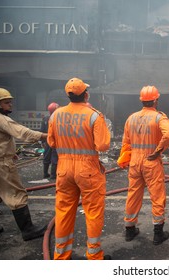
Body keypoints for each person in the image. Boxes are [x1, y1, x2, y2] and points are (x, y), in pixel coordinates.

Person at [47, 77, 111, 260]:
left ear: (68, 95)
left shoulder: (56, 115)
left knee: (64, 211)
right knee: (93, 212)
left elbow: (51, 142)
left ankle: (61, 256)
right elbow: (103, 145)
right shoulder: (93, 115)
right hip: (88, 169)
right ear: (86, 94)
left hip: (64, 169)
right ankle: (94, 255)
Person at [120, 85, 169, 245]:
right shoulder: (159, 117)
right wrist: (159, 151)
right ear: (156, 100)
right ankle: (158, 233)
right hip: (151, 160)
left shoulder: (131, 118)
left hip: (135, 160)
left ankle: (129, 230)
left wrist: (126, 159)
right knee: (157, 196)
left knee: (133, 194)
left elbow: (126, 142)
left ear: (142, 100)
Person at [0, 87, 47, 241]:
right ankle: (28, 230)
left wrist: (11, 152)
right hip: (1, 165)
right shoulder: (0, 118)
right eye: (6, 103)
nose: (10, 105)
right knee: (16, 194)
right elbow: (23, 133)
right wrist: (48, 136)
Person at [41, 102, 59, 179]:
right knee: (55, 157)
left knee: (46, 156)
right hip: (55, 141)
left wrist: (43, 142)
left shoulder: (45, 118)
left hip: (47, 140)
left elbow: (42, 131)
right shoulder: (58, 119)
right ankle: (53, 175)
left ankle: (45, 173)